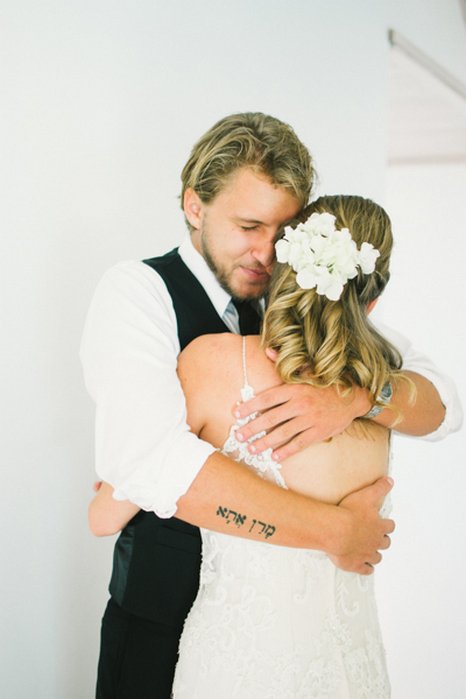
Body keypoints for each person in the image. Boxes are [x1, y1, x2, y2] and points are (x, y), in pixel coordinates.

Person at [81, 113, 461, 698]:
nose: (266, 253)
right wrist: (338, 530)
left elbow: (443, 403)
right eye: (248, 225)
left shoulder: (314, 302)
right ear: (194, 206)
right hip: (159, 624)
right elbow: (149, 462)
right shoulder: (139, 294)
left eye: (283, 232)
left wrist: (356, 396)